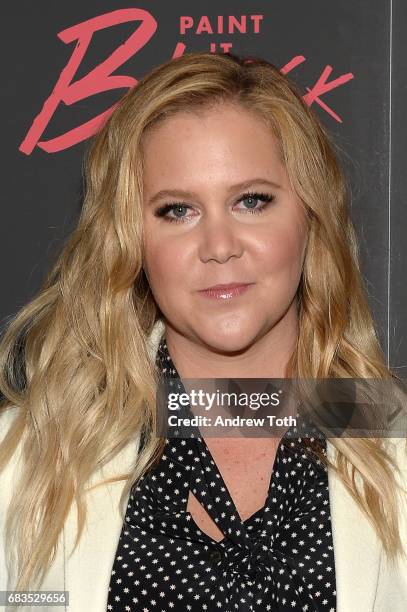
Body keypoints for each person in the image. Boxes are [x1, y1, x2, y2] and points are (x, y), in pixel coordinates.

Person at [0, 51, 406, 612]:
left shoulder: (393, 442)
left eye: (251, 200)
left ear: (310, 217)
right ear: (128, 239)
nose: (219, 247)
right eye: (177, 211)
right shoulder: (28, 458)